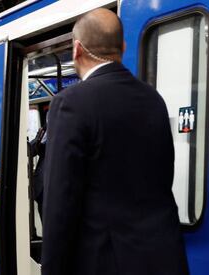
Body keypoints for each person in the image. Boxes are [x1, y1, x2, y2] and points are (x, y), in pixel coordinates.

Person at [42, 9, 189, 275]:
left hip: (105, 263)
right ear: (121, 47)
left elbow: (60, 206)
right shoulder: (153, 100)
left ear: (77, 49)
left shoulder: (70, 103)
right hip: (165, 259)